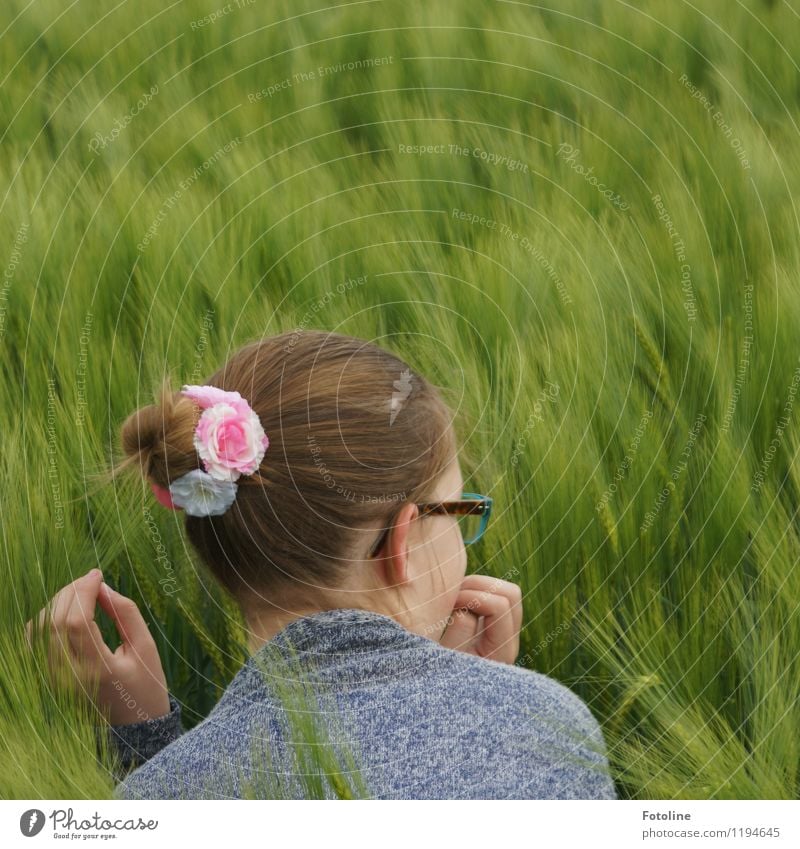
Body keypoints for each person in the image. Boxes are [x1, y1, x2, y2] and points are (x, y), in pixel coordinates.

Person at [27, 329, 617, 799]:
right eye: (461, 511)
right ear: (404, 541)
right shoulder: (549, 725)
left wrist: (140, 746)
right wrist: (474, 702)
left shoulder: (162, 797)